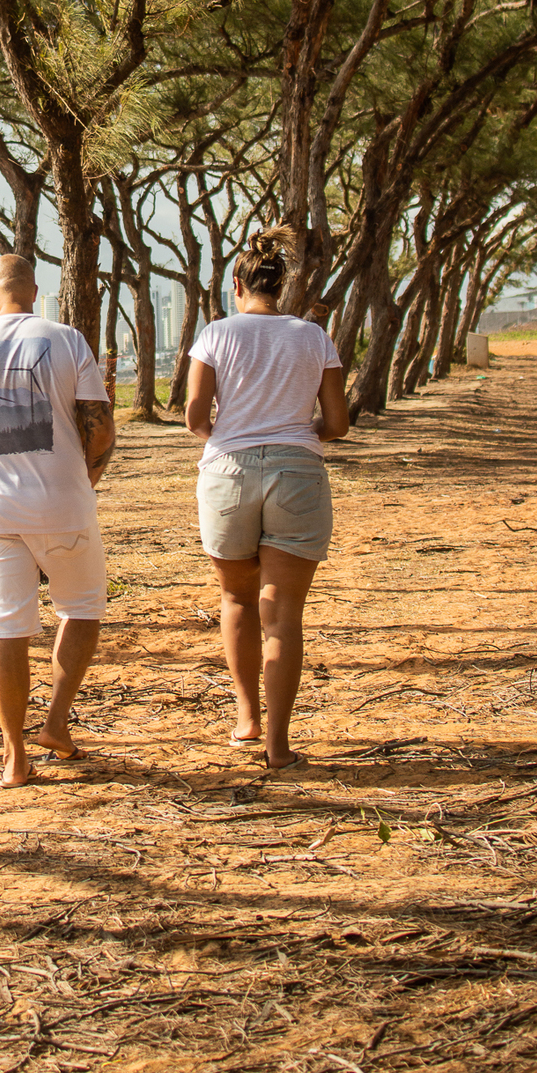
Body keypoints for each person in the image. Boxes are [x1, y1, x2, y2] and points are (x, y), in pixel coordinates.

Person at [0, 255, 117, 787]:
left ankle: (14, 755)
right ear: (35, 291)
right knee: (81, 610)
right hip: (65, 507)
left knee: (5, 629)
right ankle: (56, 723)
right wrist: (82, 484)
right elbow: (100, 430)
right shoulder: (68, 339)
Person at [186, 230, 349, 771]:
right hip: (297, 472)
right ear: (281, 286)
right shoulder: (312, 336)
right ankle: (279, 747)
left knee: (236, 600)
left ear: (238, 284)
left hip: (227, 472)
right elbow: (338, 422)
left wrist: (231, 433)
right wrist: (297, 441)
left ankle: (246, 719)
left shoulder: (215, 334)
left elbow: (193, 416)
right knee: (283, 616)